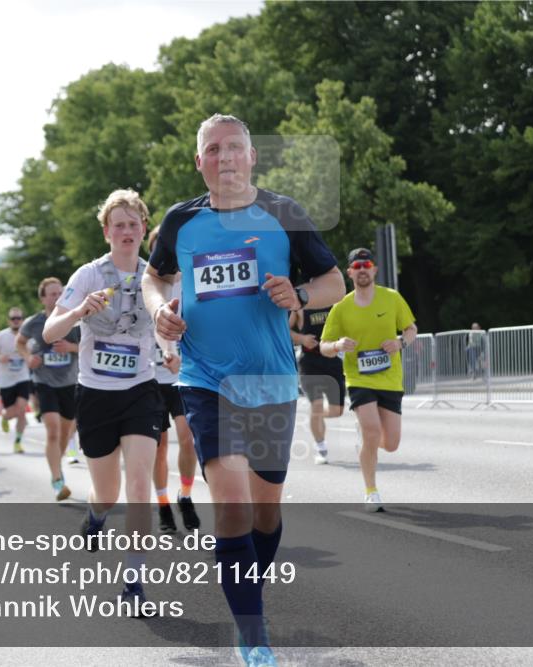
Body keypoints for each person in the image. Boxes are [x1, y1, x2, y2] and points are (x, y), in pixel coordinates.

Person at [143, 114, 344, 666]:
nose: (225, 157)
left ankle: (249, 588)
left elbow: (334, 282)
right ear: (200, 161)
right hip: (205, 379)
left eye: (235, 148)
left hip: (271, 379)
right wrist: (160, 310)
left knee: (265, 512)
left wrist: (299, 293)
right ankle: (252, 635)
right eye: (214, 150)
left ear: (252, 156)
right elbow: (153, 276)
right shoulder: (181, 221)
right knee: (230, 504)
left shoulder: (284, 213)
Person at [45, 188, 165, 614]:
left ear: (144, 228)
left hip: (142, 391)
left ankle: (133, 582)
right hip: (95, 393)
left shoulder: (157, 277)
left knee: (138, 487)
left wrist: (172, 346)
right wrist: (79, 313)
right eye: (119, 225)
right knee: (109, 493)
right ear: (106, 232)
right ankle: (95, 516)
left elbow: (169, 324)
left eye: (134, 224)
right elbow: (49, 332)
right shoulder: (88, 275)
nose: (127, 231)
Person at [320, 248, 417, 513]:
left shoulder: (392, 298)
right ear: (349, 272)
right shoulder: (341, 308)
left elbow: (411, 330)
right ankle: (371, 491)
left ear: (374, 269)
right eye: (357, 266)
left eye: (367, 264)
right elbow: (323, 346)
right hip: (358, 377)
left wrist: (399, 343)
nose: (362, 269)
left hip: (390, 378)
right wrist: (338, 344)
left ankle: (366, 439)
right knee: (372, 430)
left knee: (391, 443)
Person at [146, 226, 201, 535]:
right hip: (150, 378)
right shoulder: (146, 286)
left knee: (188, 438)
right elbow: (154, 327)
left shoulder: (190, 284)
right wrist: (167, 351)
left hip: (184, 376)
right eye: (158, 249)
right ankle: (163, 503)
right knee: (159, 446)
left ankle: (186, 494)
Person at [18, 277, 80, 501]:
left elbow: (89, 345)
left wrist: (70, 347)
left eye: (60, 293)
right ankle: (57, 480)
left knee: (65, 432)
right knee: (52, 430)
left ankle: (57, 466)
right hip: (44, 382)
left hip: (70, 382)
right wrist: (28, 357)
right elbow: (20, 342)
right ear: (43, 298)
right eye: (52, 294)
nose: (57, 297)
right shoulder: (34, 322)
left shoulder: (74, 318)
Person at [289, 302, 345, 464]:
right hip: (309, 362)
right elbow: (282, 329)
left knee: (337, 411)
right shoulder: (300, 305)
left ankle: (316, 417)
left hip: (332, 361)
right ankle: (321, 447)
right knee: (317, 405)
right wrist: (301, 339)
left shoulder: (335, 302)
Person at [0, 307, 31, 453]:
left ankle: (18, 442)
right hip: (6, 380)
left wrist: (29, 357)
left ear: (22, 320)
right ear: (9, 321)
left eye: (18, 318)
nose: (16, 321)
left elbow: (32, 353)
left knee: (22, 410)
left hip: (22, 377)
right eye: (13, 318)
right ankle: (5, 418)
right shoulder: (1, 335)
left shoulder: (28, 337)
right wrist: (0, 358)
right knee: (12, 412)